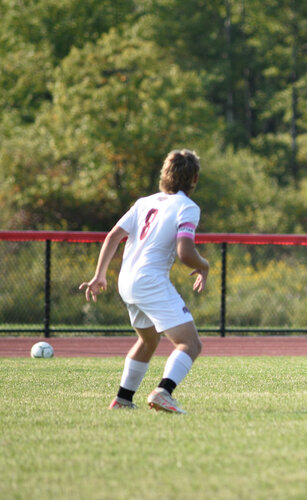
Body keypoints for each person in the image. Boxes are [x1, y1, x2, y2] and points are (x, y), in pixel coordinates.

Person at [79, 149, 209, 413]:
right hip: (150, 281)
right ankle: (164, 391)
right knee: (190, 344)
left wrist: (100, 274)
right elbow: (185, 252)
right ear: (194, 178)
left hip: (126, 281)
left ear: (165, 175)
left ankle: (122, 399)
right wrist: (204, 265)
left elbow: (114, 235)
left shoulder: (144, 202)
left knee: (149, 340)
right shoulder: (187, 207)